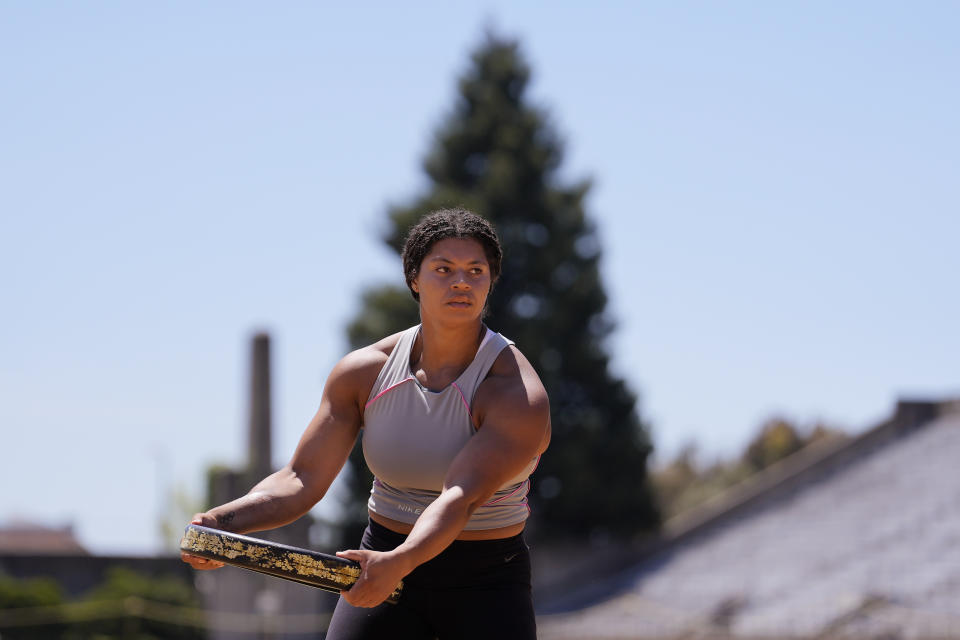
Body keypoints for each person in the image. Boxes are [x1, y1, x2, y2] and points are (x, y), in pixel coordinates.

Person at [182, 208, 550, 639]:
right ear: (414, 278)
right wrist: (223, 523)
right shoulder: (365, 373)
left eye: (475, 271)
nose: (461, 282)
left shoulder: (514, 392)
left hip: (484, 580)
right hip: (381, 556)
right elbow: (302, 478)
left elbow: (460, 497)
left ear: (491, 282)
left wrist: (403, 561)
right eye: (443, 269)